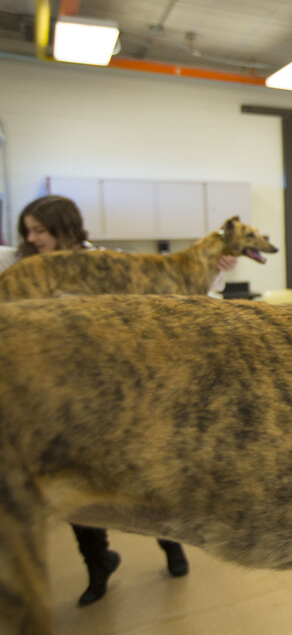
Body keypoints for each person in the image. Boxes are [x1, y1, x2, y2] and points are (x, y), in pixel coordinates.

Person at [9, 195, 235, 606]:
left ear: (66, 228)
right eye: (28, 231)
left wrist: (216, 271)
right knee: (76, 488)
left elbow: (170, 287)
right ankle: (98, 566)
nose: (32, 238)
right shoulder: (20, 266)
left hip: (114, 392)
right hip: (58, 399)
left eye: (40, 230)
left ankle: (171, 545)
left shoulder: (104, 262)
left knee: (140, 478)